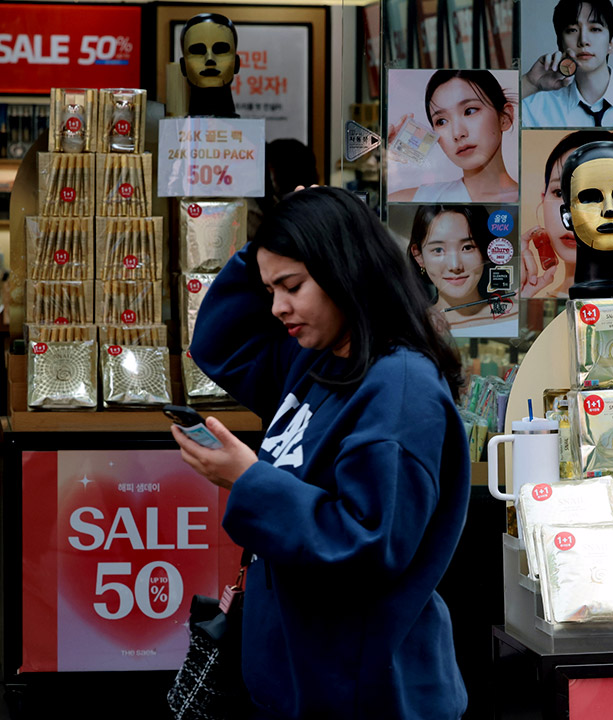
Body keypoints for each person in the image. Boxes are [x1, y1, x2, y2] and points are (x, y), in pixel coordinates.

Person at [175, 186, 470, 719]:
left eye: (292, 285)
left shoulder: (400, 389)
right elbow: (218, 340)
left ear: (345, 270)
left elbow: (369, 542)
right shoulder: (318, 359)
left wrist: (249, 480)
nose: (277, 307)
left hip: (368, 692)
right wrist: (270, 242)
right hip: (306, 679)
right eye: (268, 289)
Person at [519, 130, 613, 298]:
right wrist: (517, 301)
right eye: (559, 193)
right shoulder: (527, 298)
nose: (609, 210)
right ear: (567, 214)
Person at [388, 70, 519, 203]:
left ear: (505, 118)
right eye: (442, 121)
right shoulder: (415, 200)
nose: (457, 133)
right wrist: (377, 153)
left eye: (470, 111)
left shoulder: (528, 202)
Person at [522, 0, 613, 127]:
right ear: (560, 43)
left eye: (595, 29)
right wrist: (530, 83)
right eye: (572, 30)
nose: (583, 40)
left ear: (611, 43)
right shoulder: (535, 108)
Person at [409, 204, 517, 332]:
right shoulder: (410, 328)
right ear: (419, 256)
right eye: (438, 250)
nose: (455, 266)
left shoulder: (514, 317)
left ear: (485, 251)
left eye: (467, 247)